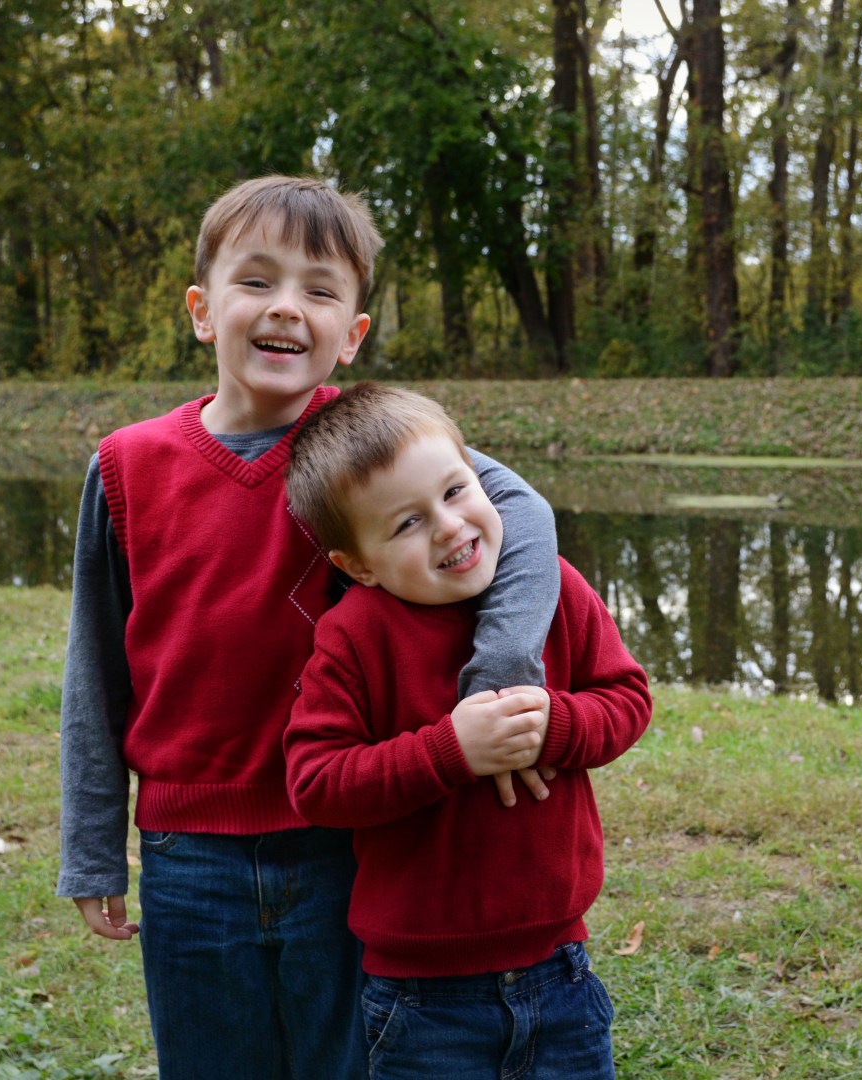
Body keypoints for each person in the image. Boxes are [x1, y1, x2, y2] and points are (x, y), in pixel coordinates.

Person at [55, 177, 563, 1080]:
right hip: (187, 853)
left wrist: (501, 671)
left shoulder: (370, 448)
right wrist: (93, 848)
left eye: (320, 290)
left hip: (346, 840)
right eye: (257, 281)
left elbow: (520, 513)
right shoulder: (128, 465)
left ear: (352, 334)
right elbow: (96, 667)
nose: (287, 307)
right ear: (202, 310)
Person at [284, 383, 653, 1080]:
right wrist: (450, 750)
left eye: (456, 491)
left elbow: (627, 698)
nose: (450, 527)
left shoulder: (554, 588)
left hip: (561, 973)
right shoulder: (355, 636)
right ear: (357, 565)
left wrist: (557, 725)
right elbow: (319, 782)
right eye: (407, 523)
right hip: (421, 1000)